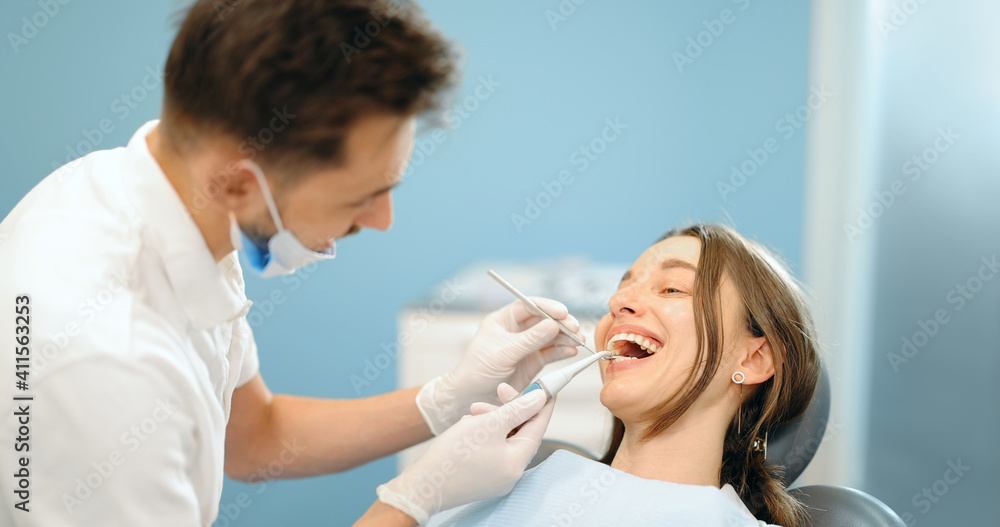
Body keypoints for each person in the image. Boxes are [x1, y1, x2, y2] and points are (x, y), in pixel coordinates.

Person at [0, 1, 583, 525]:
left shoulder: (163, 200)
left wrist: (448, 397)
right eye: (360, 197)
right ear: (237, 185)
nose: (383, 221)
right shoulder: (106, 367)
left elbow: (255, 437)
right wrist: (413, 500)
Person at [424, 223, 822, 527]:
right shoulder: (498, 486)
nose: (618, 302)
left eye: (671, 289)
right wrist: (421, 495)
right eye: (623, 288)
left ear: (753, 360)